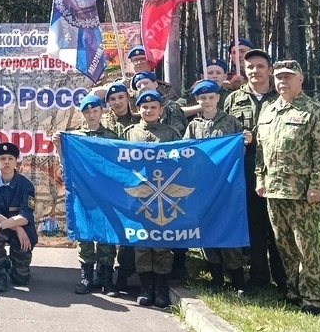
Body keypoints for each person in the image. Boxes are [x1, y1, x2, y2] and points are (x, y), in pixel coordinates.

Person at [255, 60, 320, 315]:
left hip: (302, 192)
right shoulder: (268, 110)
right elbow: (260, 150)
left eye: (289, 77)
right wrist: (260, 179)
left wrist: (318, 186)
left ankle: (313, 298)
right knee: (284, 245)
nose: (283, 81)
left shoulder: (313, 110)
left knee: (306, 246)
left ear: (300, 79)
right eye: (279, 77)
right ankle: (293, 291)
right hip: (274, 190)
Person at [223, 48, 287, 296]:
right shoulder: (233, 99)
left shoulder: (281, 95)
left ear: (269, 70)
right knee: (255, 225)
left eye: (260, 66)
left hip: (278, 169)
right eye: (250, 67)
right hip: (247, 169)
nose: (255, 71)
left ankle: (283, 278)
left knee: (279, 226)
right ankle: (259, 276)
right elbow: (225, 132)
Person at [184, 78, 251, 292]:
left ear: (218, 98)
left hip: (227, 187)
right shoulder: (194, 126)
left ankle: (237, 280)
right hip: (204, 188)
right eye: (202, 98)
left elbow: (239, 152)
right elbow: (187, 153)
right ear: (197, 100)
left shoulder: (231, 122)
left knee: (229, 229)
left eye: (211, 97)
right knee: (208, 230)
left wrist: (243, 142)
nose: (207, 101)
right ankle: (216, 278)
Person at [123, 89, 181, 308]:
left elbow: (181, 160)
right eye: (144, 107)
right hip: (139, 197)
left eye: (153, 107)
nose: (149, 110)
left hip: (164, 197)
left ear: (161, 110)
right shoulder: (130, 134)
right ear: (138, 110)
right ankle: (146, 287)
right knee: (142, 243)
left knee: (162, 242)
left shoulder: (171, 133)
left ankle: (161, 287)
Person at [69, 93, 119, 295]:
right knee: (85, 235)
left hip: (105, 194)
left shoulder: (112, 137)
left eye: (95, 111)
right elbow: (67, 164)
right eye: (87, 111)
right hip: (84, 194)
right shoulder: (75, 138)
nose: (91, 115)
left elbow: (117, 166)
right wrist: (58, 144)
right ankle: (86, 278)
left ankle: (107, 280)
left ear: (101, 112)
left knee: (106, 235)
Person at [0, 141, 36, 293]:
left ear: (16, 161)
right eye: (2, 158)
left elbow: (25, 217)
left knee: (21, 280)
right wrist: (15, 227)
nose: (6, 162)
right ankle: (0, 272)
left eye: (10, 158)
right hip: (7, 228)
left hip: (22, 230)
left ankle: (16, 268)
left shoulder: (26, 185)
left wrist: (15, 227)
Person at [132, 71, 185, 135]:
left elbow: (177, 134)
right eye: (139, 86)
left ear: (155, 84)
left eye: (146, 83)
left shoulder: (171, 107)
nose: (143, 87)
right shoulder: (137, 108)